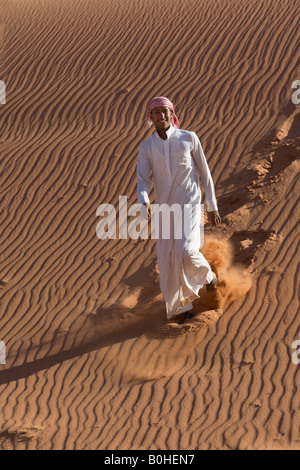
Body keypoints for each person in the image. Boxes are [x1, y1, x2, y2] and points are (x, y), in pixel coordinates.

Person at [137, 96, 221, 323]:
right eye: (157, 112)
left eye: (166, 111)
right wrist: (143, 200)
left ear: (172, 114)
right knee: (168, 261)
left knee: (187, 252)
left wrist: (211, 205)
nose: (162, 116)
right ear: (150, 117)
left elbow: (204, 173)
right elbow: (143, 180)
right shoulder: (147, 147)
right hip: (165, 210)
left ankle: (211, 278)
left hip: (190, 205)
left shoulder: (188, 138)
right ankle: (182, 309)